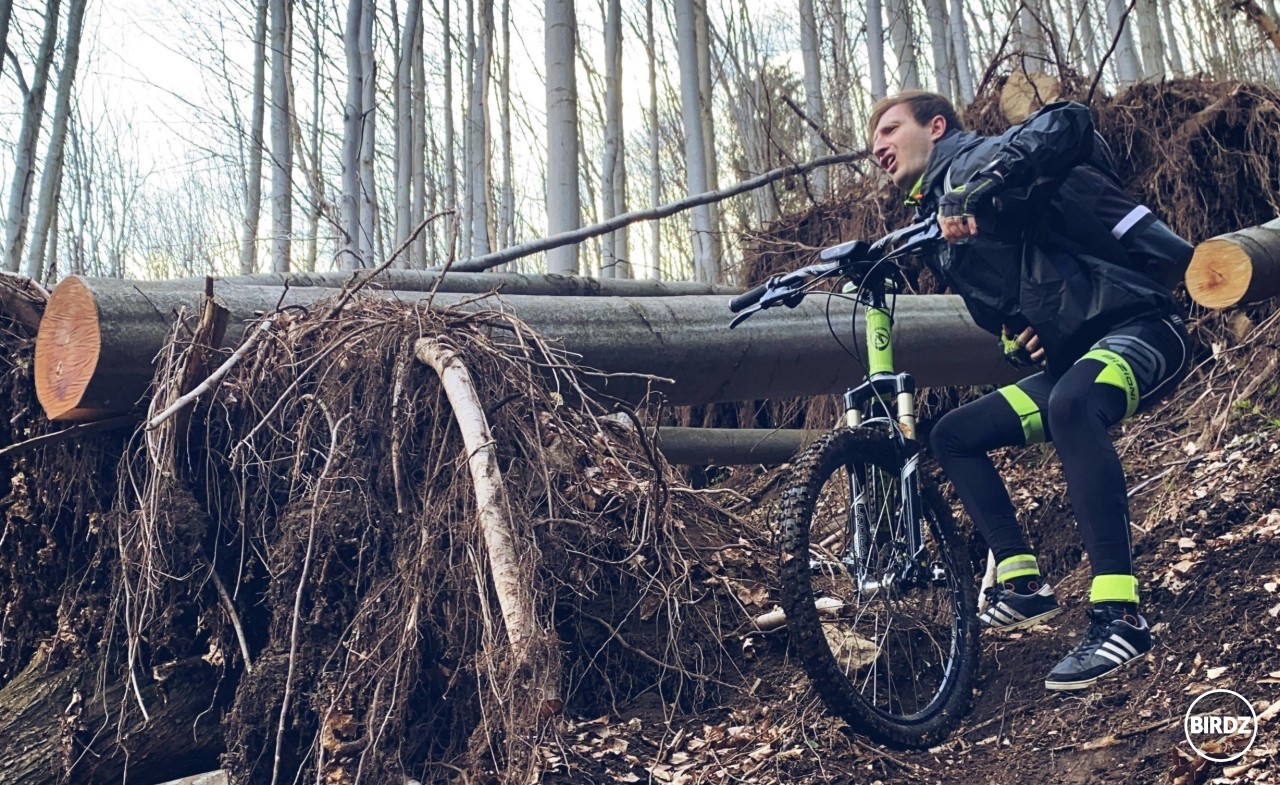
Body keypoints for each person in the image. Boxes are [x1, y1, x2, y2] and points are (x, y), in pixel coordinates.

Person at [868, 91, 1193, 691]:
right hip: (1078, 357)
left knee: (1071, 406)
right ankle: (1022, 584)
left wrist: (983, 183)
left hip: (1143, 328)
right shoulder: (937, 224)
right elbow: (1014, 307)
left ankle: (1121, 616)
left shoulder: (983, 161)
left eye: (890, 130)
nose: (879, 148)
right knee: (954, 435)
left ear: (936, 125)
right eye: (873, 143)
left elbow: (1068, 121)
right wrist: (1021, 338)